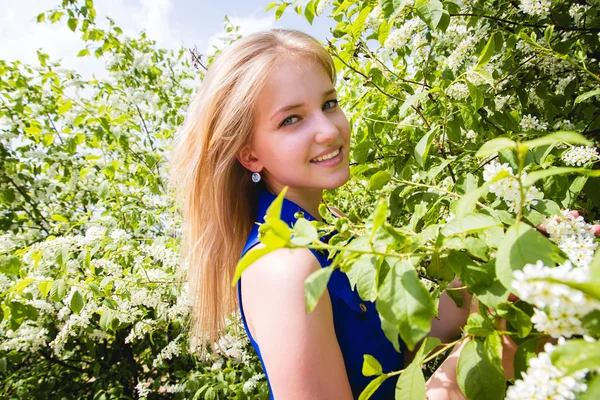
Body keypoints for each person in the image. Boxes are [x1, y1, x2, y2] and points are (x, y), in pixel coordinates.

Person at [169, 29, 506, 399]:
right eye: (291, 120)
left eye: (329, 104)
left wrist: (502, 271)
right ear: (250, 155)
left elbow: (393, 349)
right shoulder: (283, 266)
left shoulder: (324, 233)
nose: (329, 131)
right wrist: (491, 349)